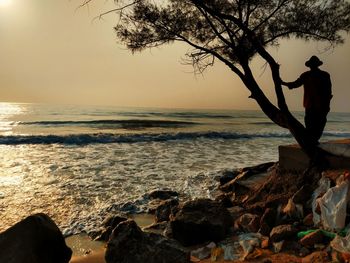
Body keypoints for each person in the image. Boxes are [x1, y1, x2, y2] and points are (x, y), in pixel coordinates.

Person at [282, 56, 332, 145]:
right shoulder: (308, 75)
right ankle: (313, 142)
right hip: (312, 105)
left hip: (318, 105)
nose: (312, 66)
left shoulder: (323, 75)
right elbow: (296, 84)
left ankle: (313, 142)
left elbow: (328, 91)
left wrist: (284, 83)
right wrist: (284, 83)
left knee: (317, 125)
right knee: (313, 125)